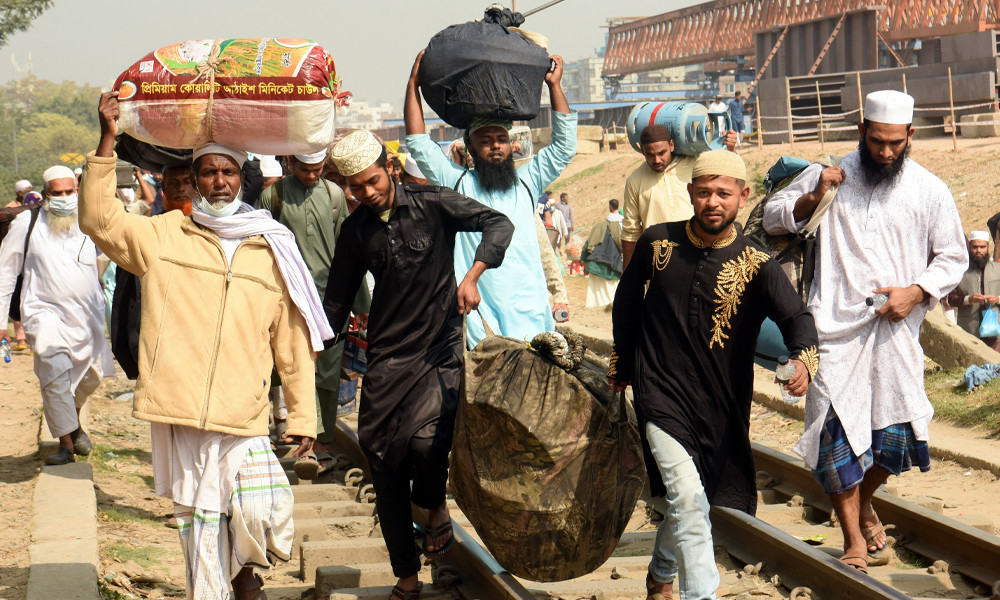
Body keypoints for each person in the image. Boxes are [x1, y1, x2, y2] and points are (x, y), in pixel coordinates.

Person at [84, 92, 325, 600]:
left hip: (245, 410)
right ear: (194, 181)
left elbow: (292, 340)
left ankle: (243, 573)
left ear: (242, 179)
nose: (219, 181)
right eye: (209, 173)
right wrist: (107, 140)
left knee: (262, 509)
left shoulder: (269, 244)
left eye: (228, 173)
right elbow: (100, 221)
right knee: (200, 526)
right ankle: (224, 590)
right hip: (183, 409)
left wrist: (303, 418)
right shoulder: (164, 234)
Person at [763, 90, 967, 574]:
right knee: (835, 440)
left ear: (910, 136)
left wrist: (916, 292)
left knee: (896, 442)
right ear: (862, 131)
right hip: (831, 329)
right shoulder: (830, 171)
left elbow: (953, 257)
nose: (886, 152)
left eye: (896, 143)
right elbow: (773, 216)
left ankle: (866, 500)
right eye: (877, 141)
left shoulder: (929, 189)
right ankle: (853, 538)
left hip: (895, 334)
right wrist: (814, 195)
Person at [610, 149, 819, 600]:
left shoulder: (757, 263)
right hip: (659, 395)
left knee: (695, 498)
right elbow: (627, 302)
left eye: (723, 193)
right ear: (690, 193)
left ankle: (660, 572)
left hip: (720, 404)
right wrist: (623, 364)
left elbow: (797, 319)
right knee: (686, 498)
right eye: (703, 192)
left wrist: (803, 360)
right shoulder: (657, 243)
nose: (712, 202)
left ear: (743, 197)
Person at [325, 130, 513, 599]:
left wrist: (472, 276)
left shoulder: (433, 202)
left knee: (429, 447)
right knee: (385, 466)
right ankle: (406, 579)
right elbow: (336, 300)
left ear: (389, 167)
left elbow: (498, 223)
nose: (366, 193)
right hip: (387, 359)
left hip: (438, 350)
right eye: (356, 187)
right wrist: (310, 341)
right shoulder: (355, 232)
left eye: (371, 181)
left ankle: (432, 505)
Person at [405, 50, 575, 346]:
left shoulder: (527, 182)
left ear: (512, 146)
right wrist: (412, 85)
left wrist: (554, 86)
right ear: (471, 149)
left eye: (501, 140)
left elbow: (564, 147)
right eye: (485, 141)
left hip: (531, 309)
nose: (495, 147)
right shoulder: (457, 183)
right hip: (480, 313)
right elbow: (419, 144)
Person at [257, 148, 371, 478]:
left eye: (318, 169)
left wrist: (361, 304)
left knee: (328, 370)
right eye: (305, 169)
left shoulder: (335, 196)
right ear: (291, 163)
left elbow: (351, 253)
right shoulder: (272, 196)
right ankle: (285, 433)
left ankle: (319, 441)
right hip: (286, 296)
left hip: (329, 298)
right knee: (285, 366)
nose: (312, 175)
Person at [0, 165, 115, 465]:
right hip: (43, 312)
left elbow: (109, 255)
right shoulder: (27, 223)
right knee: (53, 373)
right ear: (45, 194)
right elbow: (6, 273)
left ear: (77, 191)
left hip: (87, 316)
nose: (63, 198)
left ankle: (73, 422)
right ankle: (65, 443)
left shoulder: (89, 220)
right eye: (57, 193)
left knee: (91, 377)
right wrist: (2, 323)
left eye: (68, 192)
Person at [622, 124, 738, 267]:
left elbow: (726, 178)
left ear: (671, 145)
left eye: (661, 153)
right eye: (650, 155)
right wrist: (627, 278)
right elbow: (630, 232)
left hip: (701, 254)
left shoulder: (696, 164)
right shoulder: (635, 181)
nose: (656, 160)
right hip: (660, 262)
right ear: (642, 151)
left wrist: (731, 149)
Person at [947, 230, 1000, 344]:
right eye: (975, 247)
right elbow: (950, 299)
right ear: (969, 247)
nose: (978, 251)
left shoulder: (998, 269)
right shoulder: (960, 271)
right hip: (969, 332)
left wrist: (997, 299)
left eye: (982, 247)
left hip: (996, 331)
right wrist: (969, 299)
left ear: (988, 247)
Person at [582, 199, 623, 308]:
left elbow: (587, 244)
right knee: (613, 287)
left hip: (596, 264)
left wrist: (582, 260)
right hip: (614, 264)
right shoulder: (624, 225)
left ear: (610, 207)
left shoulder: (599, 226)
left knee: (596, 293)